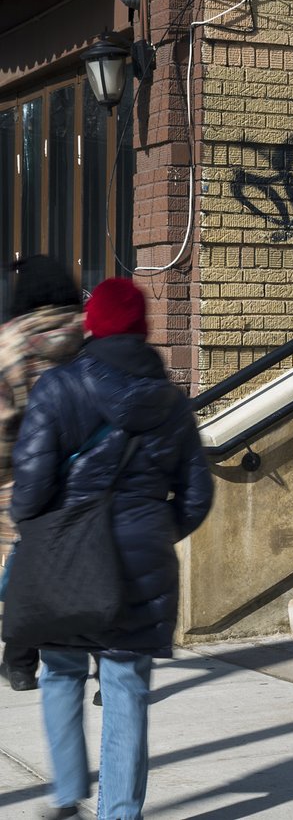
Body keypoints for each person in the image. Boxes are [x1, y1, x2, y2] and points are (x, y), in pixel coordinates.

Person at [10, 277, 213, 820]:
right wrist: (152, 528)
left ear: (92, 325)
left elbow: (28, 493)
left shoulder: (57, 388)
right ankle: (120, 813)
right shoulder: (172, 402)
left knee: (61, 670)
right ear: (143, 330)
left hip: (69, 561)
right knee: (125, 687)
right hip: (141, 564)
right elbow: (196, 495)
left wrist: (36, 525)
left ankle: (68, 796)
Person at [0, 256, 85, 693]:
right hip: (88, 475)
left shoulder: (9, 345)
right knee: (88, 568)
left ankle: (19, 663)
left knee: (24, 569)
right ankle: (104, 661)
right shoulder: (90, 334)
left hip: (25, 479)